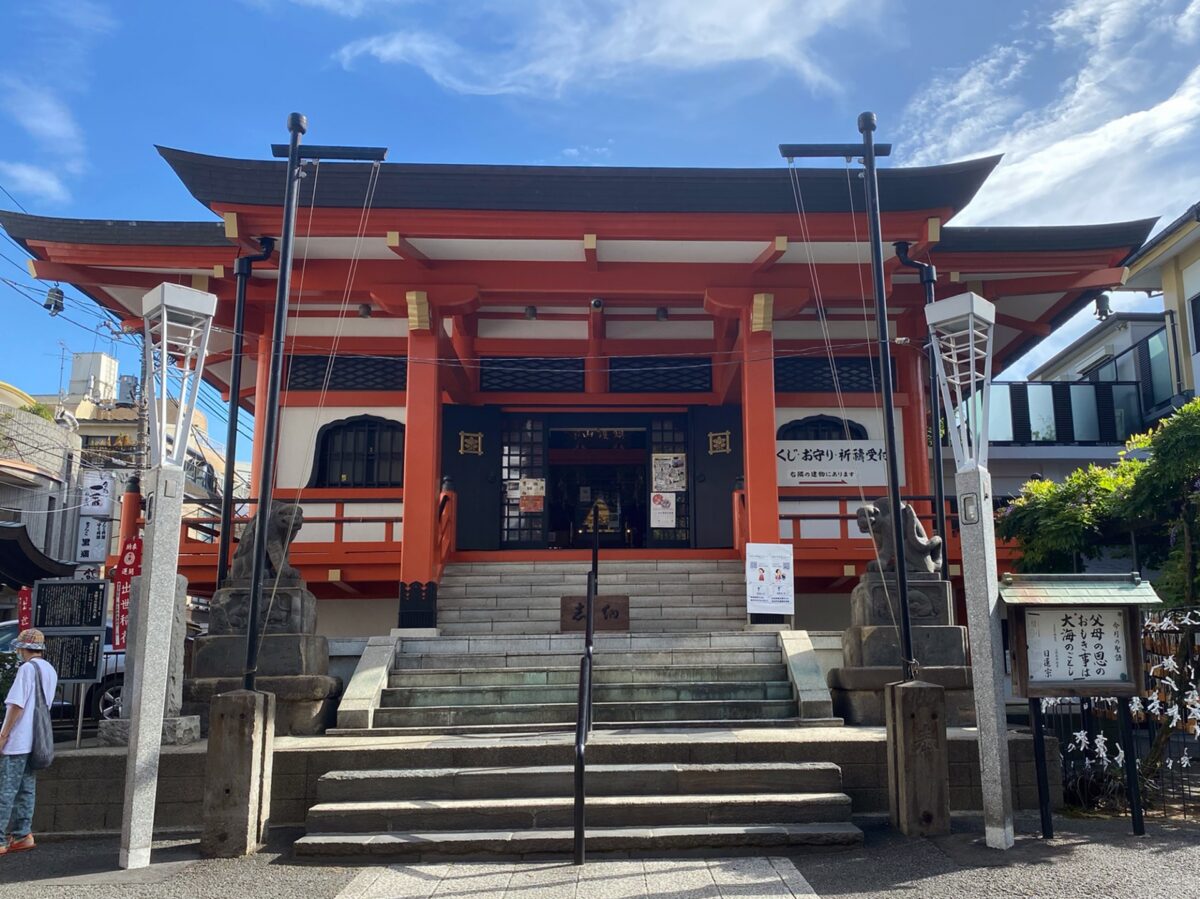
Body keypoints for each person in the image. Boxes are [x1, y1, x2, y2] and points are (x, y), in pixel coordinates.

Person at [0, 628, 57, 856]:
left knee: (5, 790)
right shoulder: (49, 670)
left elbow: (16, 705)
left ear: (23, 648)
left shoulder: (26, 669)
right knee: (27, 789)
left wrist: (3, 735)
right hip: (37, 741)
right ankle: (23, 835)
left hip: (18, 740)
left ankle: (1, 839)